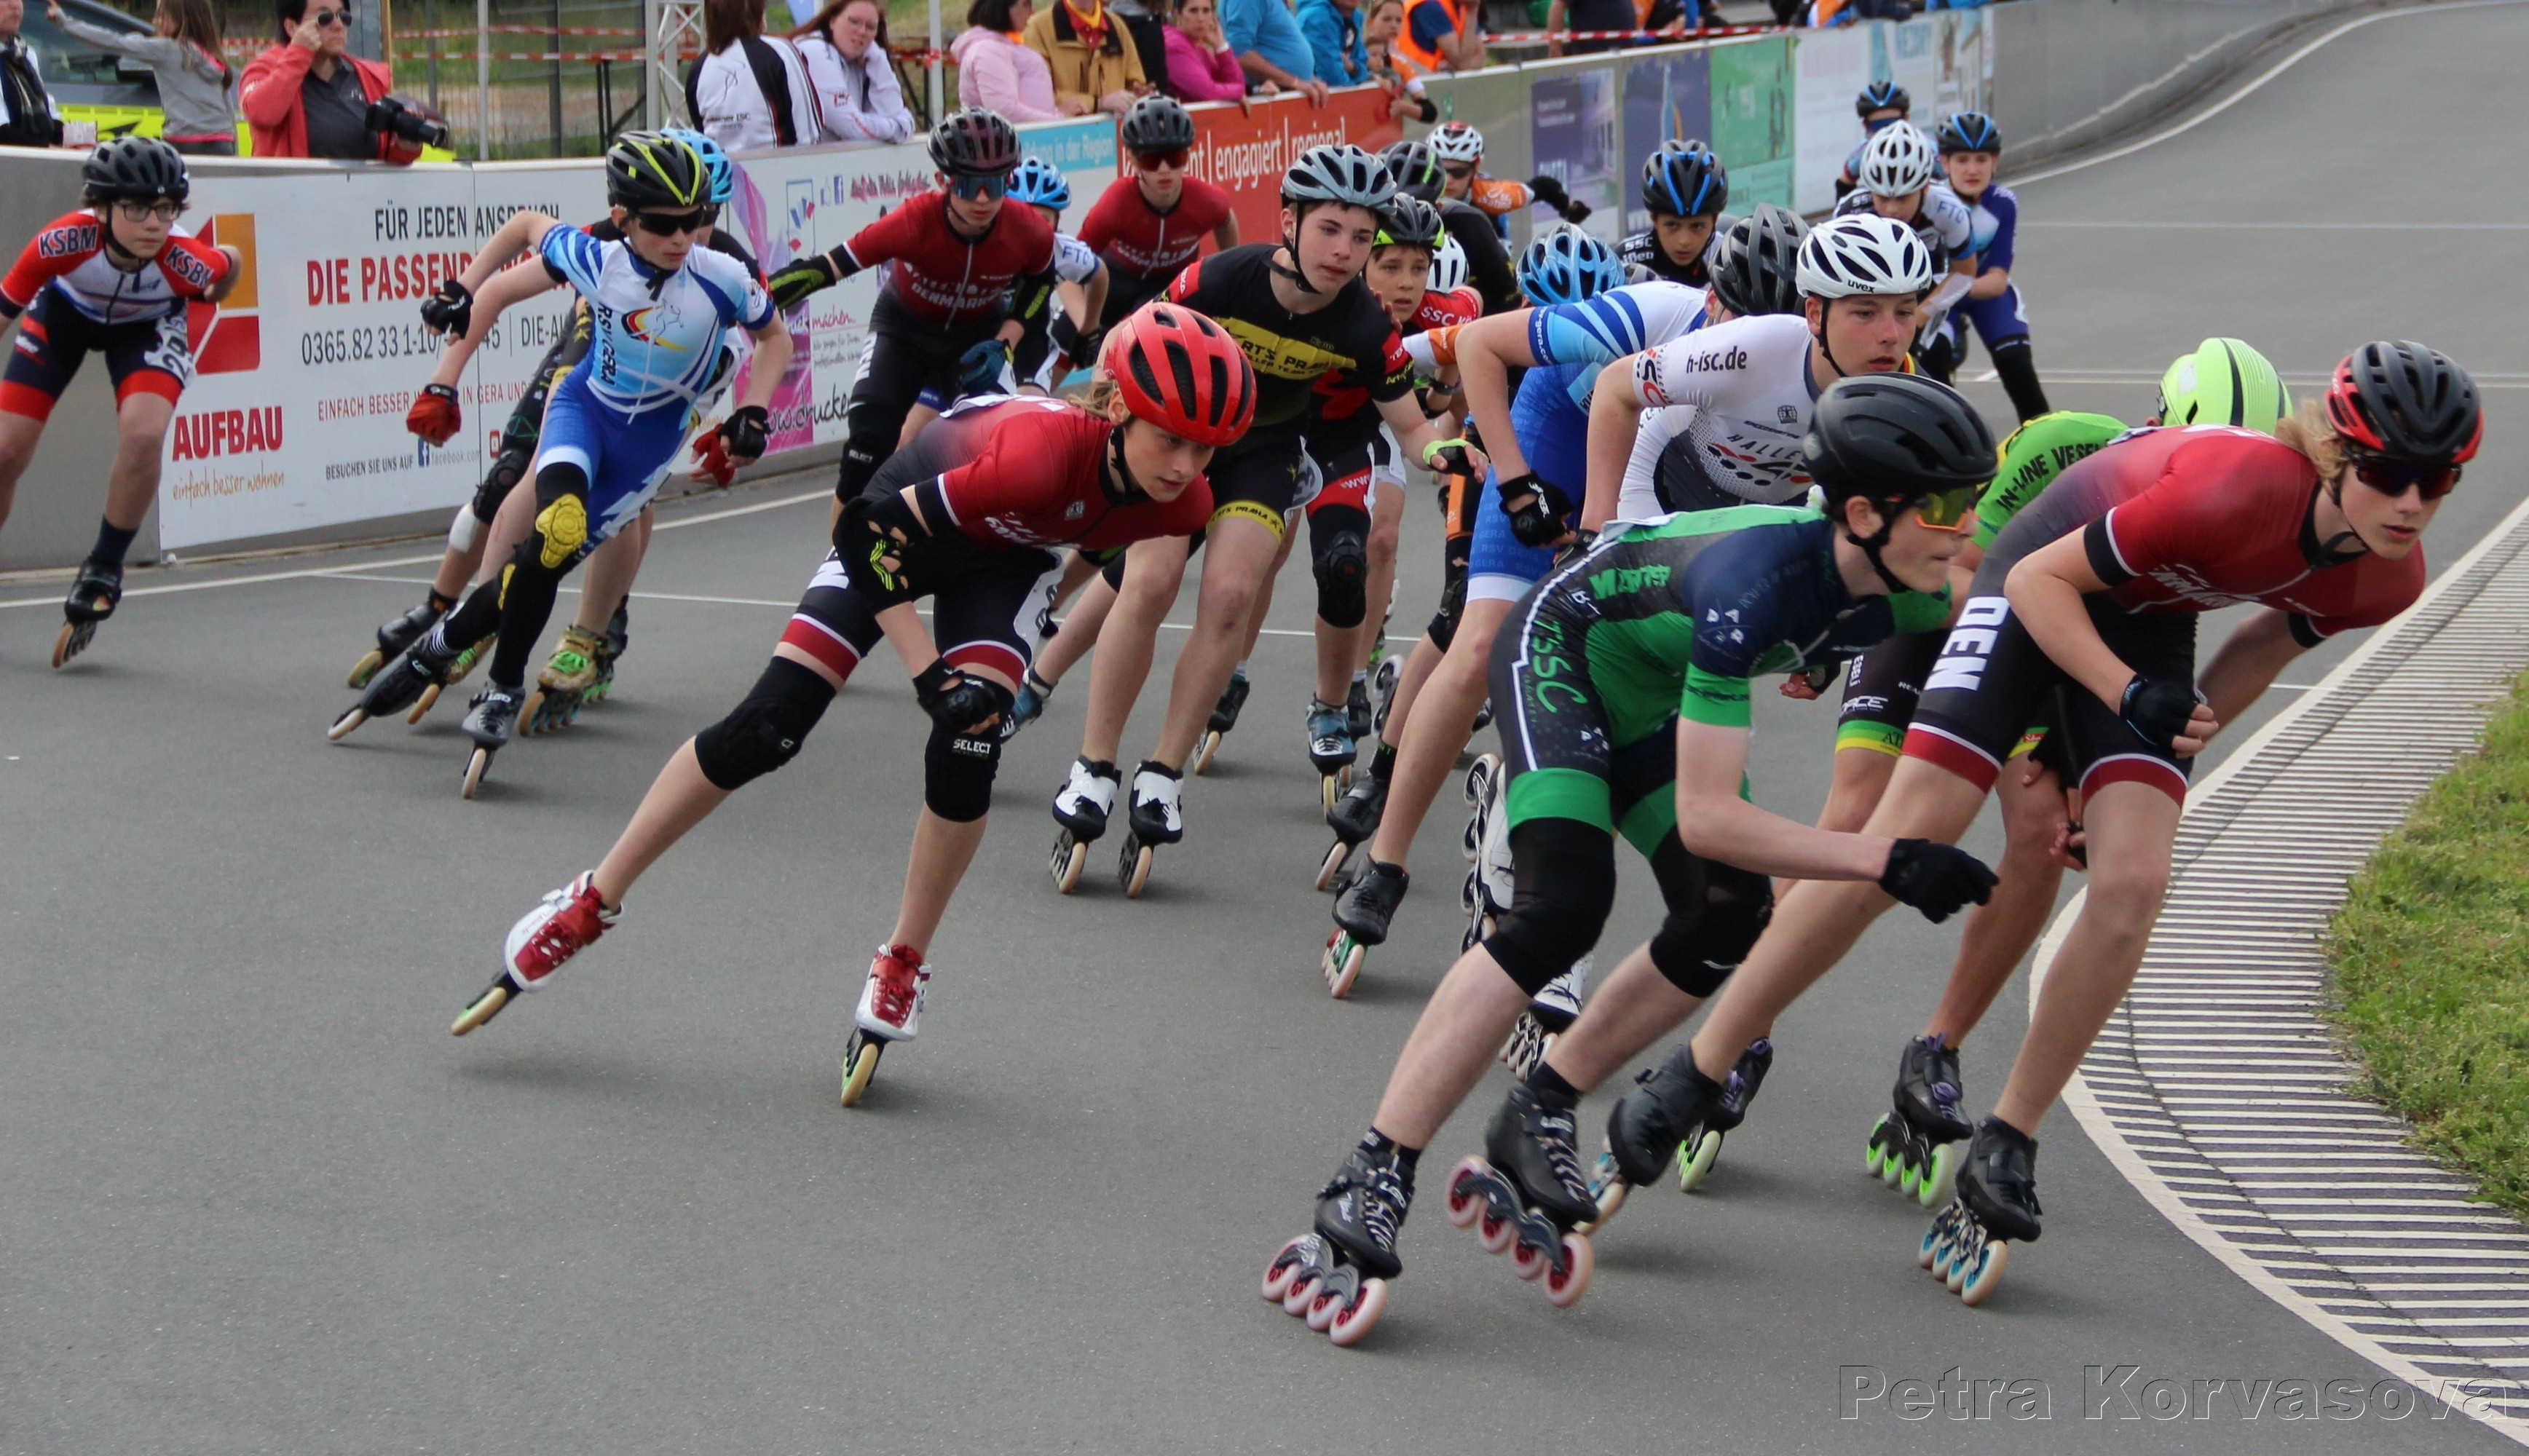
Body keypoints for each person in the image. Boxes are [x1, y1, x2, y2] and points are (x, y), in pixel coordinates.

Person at [1574, 341, 2480, 1308]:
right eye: (2388, 474)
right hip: (2031, 579)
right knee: (1909, 836)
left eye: (2437, 482)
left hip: (2143, 621)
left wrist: (2157, 750)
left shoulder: (2388, 578)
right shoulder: (2231, 488)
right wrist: (2125, 697)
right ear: (2335, 455)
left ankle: (2008, 1137)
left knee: (2133, 879)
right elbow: (2039, 584)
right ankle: (1698, 1067)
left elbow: (2263, 640)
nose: (2411, 504)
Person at [1263, 373, 2000, 1345]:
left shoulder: (1907, 584)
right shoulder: (1753, 586)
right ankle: (1373, 1170)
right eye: (1944, 508)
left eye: (1971, 501)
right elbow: (1709, 816)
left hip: (1649, 684)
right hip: (1564, 648)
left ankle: (1541, 1106)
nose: (1964, 526)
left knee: (1727, 913)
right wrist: (1884, 859)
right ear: (1863, 515)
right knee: (1562, 908)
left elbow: (2021, 616)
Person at [454, 306, 1256, 1111]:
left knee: (970, 746)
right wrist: (929, 675)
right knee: (767, 729)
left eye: (1204, 448)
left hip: (1005, 563)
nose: (1185, 466)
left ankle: (903, 960)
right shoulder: (1037, 454)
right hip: (890, 534)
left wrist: (1023, 636)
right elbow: (868, 540)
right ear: (1117, 408)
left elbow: (1093, 541)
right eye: (1170, 439)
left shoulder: (1183, 504)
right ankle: (590, 899)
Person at [1330, 207, 1844, 995]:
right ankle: (1386, 861)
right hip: (1571, 429)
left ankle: (1525, 836)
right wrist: (1515, 481)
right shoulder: (1655, 316)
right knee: (1481, 645)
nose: (1750, 342)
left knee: (1630, 687)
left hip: (1677, 491)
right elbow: (1479, 344)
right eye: (1737, 320)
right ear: (1710, 303)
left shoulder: (1827, 378)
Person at [1839, 336, 2292, 1205]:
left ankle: (1935, 1046)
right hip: (1946, 603)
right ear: (2157, 425)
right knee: (1859, 811)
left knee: (2041, 832)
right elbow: (1964, 573)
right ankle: (1741, 1027)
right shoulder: (2063, 446)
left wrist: (2083, 754)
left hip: (2067, 647)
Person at [1041, 145, 1464, 897]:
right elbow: (1129, 341)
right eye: (1329, 230)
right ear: (1289, 222)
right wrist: (1103, 412)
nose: (1345, 252)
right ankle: (1093, 765)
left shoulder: (1362, 320)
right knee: (1150, 581)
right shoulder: (1222, 278)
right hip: (1177, 442)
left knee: (1232, 595)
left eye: (1360, 238)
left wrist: (1448, 453)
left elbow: (1409, 426)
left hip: (1263, 453)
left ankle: (1163, 773)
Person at [334, 133, 790, 796]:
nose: (684, 236)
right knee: (552, 523)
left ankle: (473, 643)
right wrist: (459, 293)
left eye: (696, 220)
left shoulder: (723, 272)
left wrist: (752, 411)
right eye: (664, 224)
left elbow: (774, 337)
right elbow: (523, 227)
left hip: (648, 443)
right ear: (623, 217)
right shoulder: (598, 255)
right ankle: (500, 682)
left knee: (545, 558)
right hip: (582, 407)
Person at [0, 138, 240, 667]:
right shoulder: (61, 241)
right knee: (5, 451)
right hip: (64, 317)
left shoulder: (184, 260)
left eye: (166, 209)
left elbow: (230, 264)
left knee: (144, 435)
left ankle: (105, 566)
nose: (153, 224)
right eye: (136, 208)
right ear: (101, 207)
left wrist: (216, 288)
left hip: (146, 328)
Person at [768, 108, 1059, 510]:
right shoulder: (913, 221)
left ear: (1008, 182)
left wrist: (1004, 344)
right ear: (942, 181)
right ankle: (845, 550)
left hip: (976, 339)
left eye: (993, 185)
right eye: (968, 184)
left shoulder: (1029, 230)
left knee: (989, 451)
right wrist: (756, 298)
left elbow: (1040, 285)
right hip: (903, 331)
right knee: (867, 448)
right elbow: (830, 267)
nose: (981, 199)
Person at [1918, 111, 2047, 423]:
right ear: (1944, 162)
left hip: (1981, 291)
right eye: (1962, 160)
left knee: (2016, 362)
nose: (1972, 169)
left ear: (1995, 162)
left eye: (1981, 159)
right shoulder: (1930, 202)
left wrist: (1955, 287)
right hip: (1938, 297)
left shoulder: (2003, 202)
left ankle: (2045, 438)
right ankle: (1952, 437)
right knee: (1933, 364)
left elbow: (1997, 281)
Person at [1077, 96, 1236, 328]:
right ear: (1134, 161)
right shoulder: (1116, 202)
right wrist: (1085, 328)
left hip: (1168, 283)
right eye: (1151, 161)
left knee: (1153, 328)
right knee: (1068, 335)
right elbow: (1073, 261)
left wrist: (1229, 270)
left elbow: (1226, 220)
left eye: (1174, 159)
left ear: (1187, 158)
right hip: (1115, 278)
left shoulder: (1206, 199)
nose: (1164, 170)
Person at [1831, 121, 1973, 376]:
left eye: (1903, 198)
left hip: (1928, 272)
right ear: (1869, 190)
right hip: (1871, 277)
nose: (1892, 209)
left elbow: (1965, 272)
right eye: (1883, 198)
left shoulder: (1949, 210)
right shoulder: (1850, 210)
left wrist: (1919, 315)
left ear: (1925, 188)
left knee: (1933, 357)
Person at [240, 0, 423, 162]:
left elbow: (383, 155)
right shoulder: (266, 68)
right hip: (295, 190)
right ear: (292, 27)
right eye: (325, 18)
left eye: (344, 17)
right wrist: (299, 53)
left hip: (359, 190)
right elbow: (261, 115)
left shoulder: (368, 76)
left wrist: (405, 147)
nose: (338, 25)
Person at [46, 0, 235, 154]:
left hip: (185, 142)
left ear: (181, 19)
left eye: (162, 14)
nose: (155, 20)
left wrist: (65, 21)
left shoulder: (166, 49)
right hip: (222, 144)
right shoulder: (213, 57)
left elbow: (113, 41)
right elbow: (229, 114)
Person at [1383, 139, 1515, 314]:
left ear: (1437, 203)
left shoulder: (1469, 222)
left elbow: (1508, 295)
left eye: (1418, 208)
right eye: (1389, 210)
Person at [686, 0, 822, 150]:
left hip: (723, 165)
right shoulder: (781, 52)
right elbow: (809, 136)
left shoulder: (699, 68)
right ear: (758, 11)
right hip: (780, 163)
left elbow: (703, 139)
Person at [1426, 121, 1589, 237]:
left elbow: (1546, 187)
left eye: (1459, 172)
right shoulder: (1418, 191)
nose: (1449, 180)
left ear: (1476, 169)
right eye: (1441, 170)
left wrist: (1569, 208)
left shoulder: (1493, 195)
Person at [792, 0, 915, 143]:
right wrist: (899, 128)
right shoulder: (815, 50)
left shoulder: (860, 60)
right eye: (854, 22)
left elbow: (892, 111)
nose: (862, 32)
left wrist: (878, 60)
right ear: (832, 21)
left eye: (870, 27)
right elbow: (850, 126)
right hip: (799, 155)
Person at [1621, 139, 1725, 287]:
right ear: (1654, 219)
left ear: (1714, 220)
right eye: (1672, 225)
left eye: (1697, 226)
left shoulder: (1730, 259)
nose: (1684, 241)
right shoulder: (1625, 260)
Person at [1025, 0, 1149, 116]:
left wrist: (1138, 95)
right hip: (1063, 131)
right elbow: (1037, 98)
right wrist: (1099, 103)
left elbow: (1135, 83)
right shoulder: (1038, 28)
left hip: (1111, 130)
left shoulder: (1117, 26)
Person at [952, 0, 1062, 120]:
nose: (1032, 12)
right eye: (1026, 4)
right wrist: (1059, 119)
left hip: (1035, 130)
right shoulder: (988, 50)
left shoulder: (999, 47)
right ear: (1003, 6)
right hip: (1023, 132)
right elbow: (1004, 112)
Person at [1221, 0, 1326, 103]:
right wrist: (1294, 82)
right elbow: (1238, 53)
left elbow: (1275, 43)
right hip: (1266, 96)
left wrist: (1308, 80)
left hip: (1285, 93)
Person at [0, 0, 66, 149]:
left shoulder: (23, 53)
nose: (15, 5)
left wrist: (72, 138)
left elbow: (48, 114)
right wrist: (48, 148)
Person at [1834, 78, 1908, 200]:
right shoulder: (1863, 154)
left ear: (1906, 118)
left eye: (1893, 124)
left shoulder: (1929, 148)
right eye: (1878, 126)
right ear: (1866, 126)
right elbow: (1843, 184)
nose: (1888, 132)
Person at [1161, 0, 1245, 100]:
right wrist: (1239, 91)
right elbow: (1208, 92)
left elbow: (1233, 82)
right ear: (1178, 15)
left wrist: (1220, 46)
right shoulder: (1174, 45)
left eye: (1206, 11)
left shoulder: (1199, 48)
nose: (1201, 19)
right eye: (1193, 11)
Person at [1394, 0, 1479, 75]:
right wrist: (1472, 12)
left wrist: (1457, 67)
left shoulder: (1465, 7)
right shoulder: (1431, 6)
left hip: (1437, 78)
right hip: (1412, 77)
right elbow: (1462, 63)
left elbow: (1480, 58)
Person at [1297, 0, 1368, 87]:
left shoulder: (1356, 16)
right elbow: (1332, 76)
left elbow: (1363, 64)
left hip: (1333, 90)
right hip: (1308, 92)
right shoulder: (1317, 17)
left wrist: (1353, 68)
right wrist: (1356, 83)